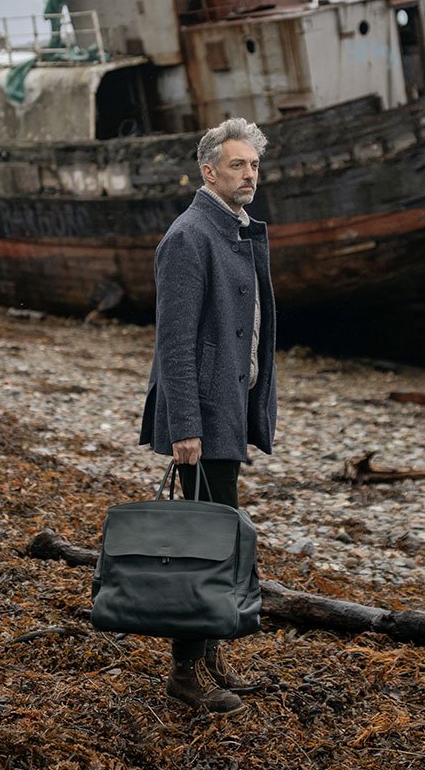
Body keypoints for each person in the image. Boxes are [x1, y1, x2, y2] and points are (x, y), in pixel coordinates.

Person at [139, 117, 278, 714]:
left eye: (253, 165)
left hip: (226, 411)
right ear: (209, 171)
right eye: (238, 165)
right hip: (200, 422)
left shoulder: (234, 231)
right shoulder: (190, 236)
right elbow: (173, 342)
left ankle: (212, 658)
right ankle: (184, 678)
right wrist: (186, 429)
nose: (249, 175)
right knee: (201, 547)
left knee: (220, 542)